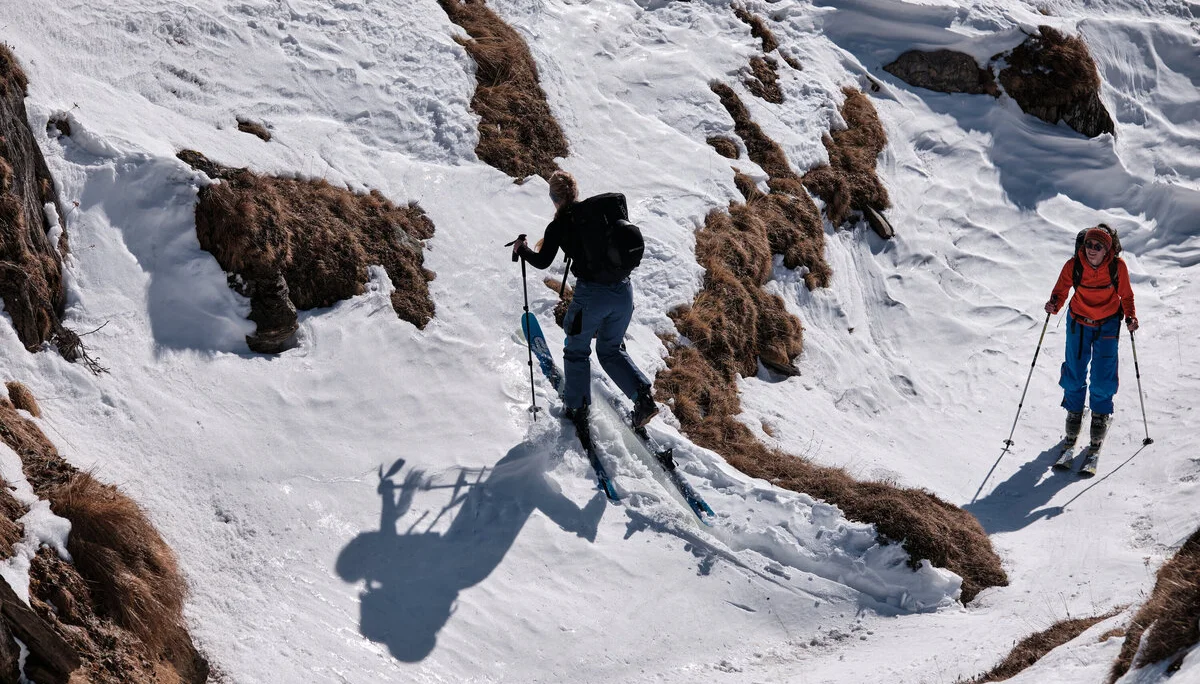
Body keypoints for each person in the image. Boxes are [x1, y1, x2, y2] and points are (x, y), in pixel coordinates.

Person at [511, 170, 658, 430]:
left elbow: (542, 261)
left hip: (592, 297)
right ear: (575, 192)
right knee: (610, 350)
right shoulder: (600, 214)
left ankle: (577, 407)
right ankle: (643, 399)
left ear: (554, 198)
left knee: (577, 350)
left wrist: (521, 249)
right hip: (624, 292)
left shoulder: (559, 225)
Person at [1043, 225, 1138, 455]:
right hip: (1078, 322)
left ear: (1107, 251)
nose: (1091, 250)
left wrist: (1131, 316)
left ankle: (1099, 415)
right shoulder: (1074, 264)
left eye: (1097, 246)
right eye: (1088, 245)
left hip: (1107, 323)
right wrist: (1054, 305)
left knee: (1103, 375)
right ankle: (1074, 412)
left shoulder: (1117, 267)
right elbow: (1061, 291)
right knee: (1074, 371)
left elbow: (1126, 295)